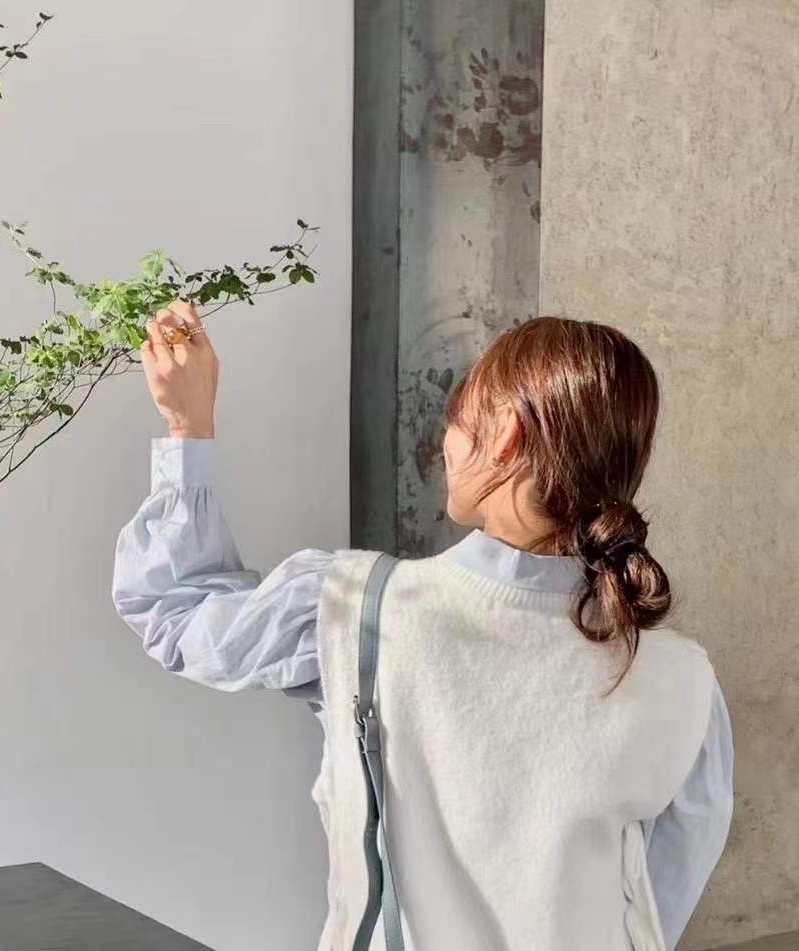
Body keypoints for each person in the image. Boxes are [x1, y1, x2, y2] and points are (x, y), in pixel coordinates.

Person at [112, 301, 734, 951]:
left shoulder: (364, 610)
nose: (446, 442)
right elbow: (657, 901)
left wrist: (188, 428)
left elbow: (174, 609)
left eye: (456, 417)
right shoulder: (683, 680)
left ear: (505, 435)